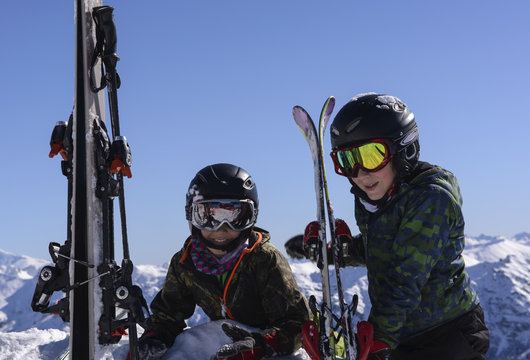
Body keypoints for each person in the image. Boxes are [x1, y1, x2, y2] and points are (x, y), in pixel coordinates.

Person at [288, 93, 490, 360]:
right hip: (404, 333)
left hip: (447, 336)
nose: (360, 173)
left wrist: (376, 340)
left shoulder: (431, 199)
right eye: (347, 161)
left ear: (402, 149)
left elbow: (405, 278)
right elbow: (382, 246)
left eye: (371, 156)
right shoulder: (379, 194)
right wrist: (335, 252)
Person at [137, 163, 310, 360]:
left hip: (267, 351)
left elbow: (298, 324)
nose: (221, 228)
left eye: (234, 216)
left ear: (251, 218)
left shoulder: (264, 259)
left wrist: (261, 344)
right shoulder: (185, 263)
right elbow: (168, 315)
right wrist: (156, 336)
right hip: (223, 349)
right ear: (192, 217)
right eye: (208, 216)